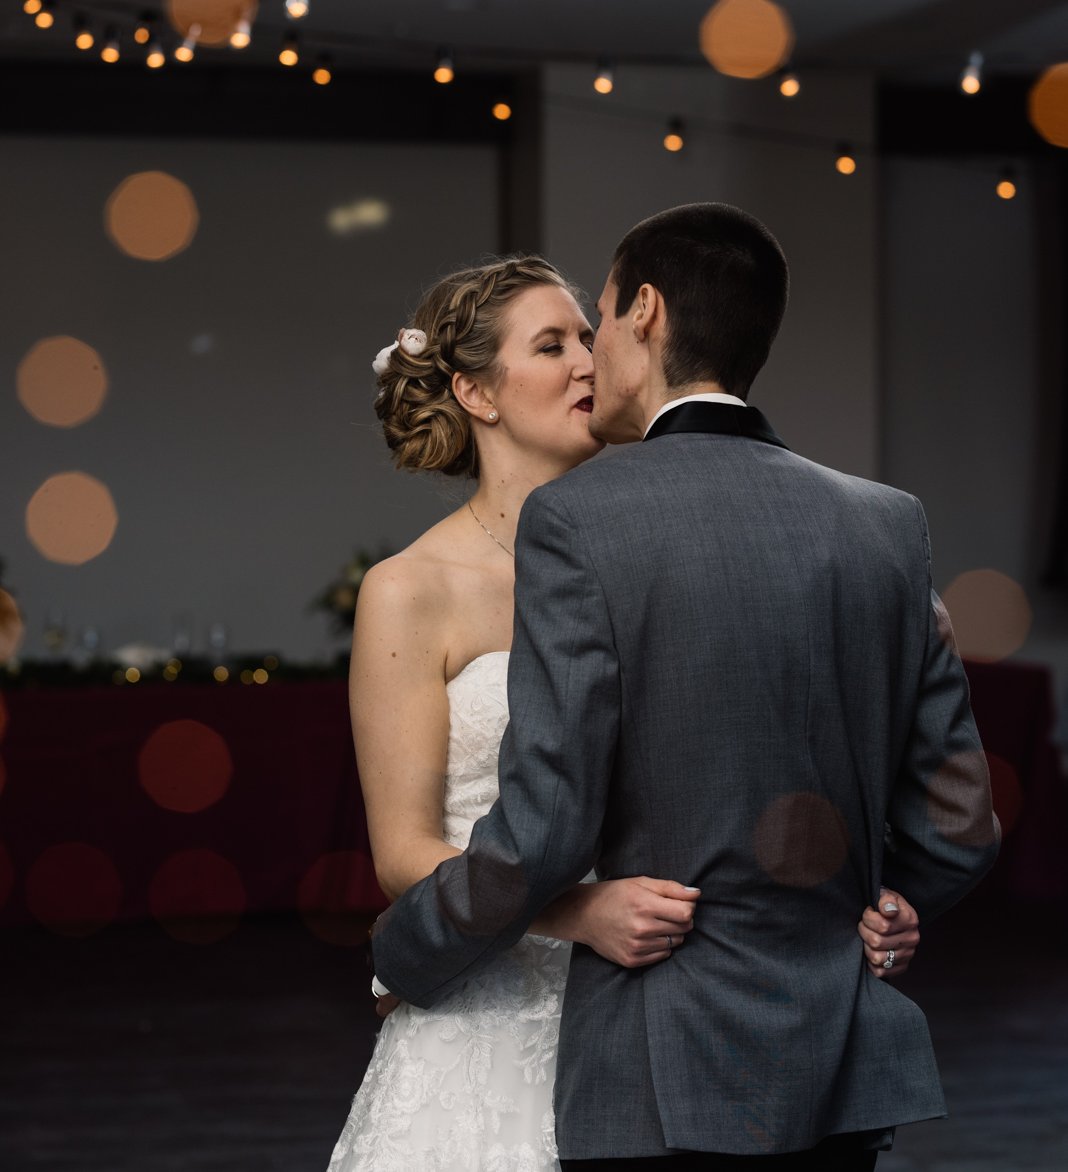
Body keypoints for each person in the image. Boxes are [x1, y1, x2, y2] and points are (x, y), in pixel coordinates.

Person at [368, 206, 1000, 1171]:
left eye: (597, 324)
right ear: (474, 391)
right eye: (555, 342)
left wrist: (407, 953)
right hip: (831, 1052)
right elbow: (959, 820)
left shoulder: (582, 522)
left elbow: (545, 827)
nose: (589, 356)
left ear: (646, 315)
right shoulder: (886, 522)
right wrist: (895, 898)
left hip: (653, 1054)